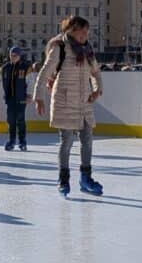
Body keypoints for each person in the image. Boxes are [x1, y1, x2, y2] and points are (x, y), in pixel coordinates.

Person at [34, 16, 104, 197]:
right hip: (65, 103)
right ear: (71, 30)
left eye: (87, 32)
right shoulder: (60, 48)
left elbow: (95, 72)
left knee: (87, 140)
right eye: (82, 32)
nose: (85, 35)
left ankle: (85, 178)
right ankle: (63, 179)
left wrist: (97, 89)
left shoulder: (87, 50)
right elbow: (45, 72)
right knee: (66, 142)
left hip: (84, 103)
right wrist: (38, 96)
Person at [0, 46, 33, 151]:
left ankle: (22, 142)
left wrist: (29, 95)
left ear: (19, 56)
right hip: (10, 98)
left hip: (21, 98)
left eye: (15, 55)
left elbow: (30, 82)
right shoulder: (5, 68)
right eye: (11, 55)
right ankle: (11, 141)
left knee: (20, 120)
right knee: (11, 120)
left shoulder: (26, 67)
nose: (12, 57)